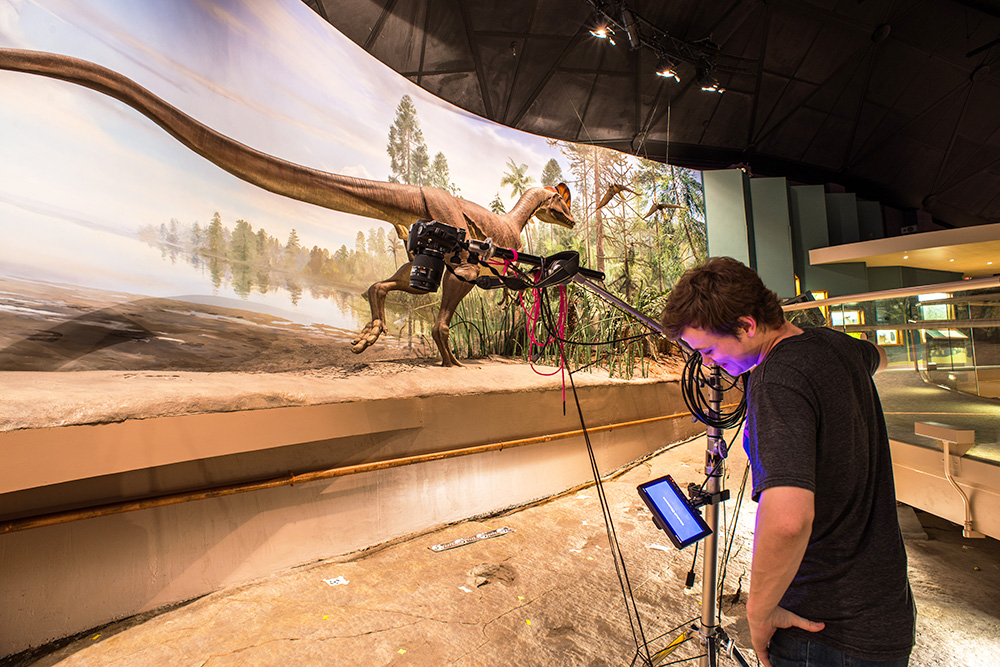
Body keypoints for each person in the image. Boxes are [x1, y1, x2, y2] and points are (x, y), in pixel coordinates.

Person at [660, 257, 915, 667]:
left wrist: (759, 612)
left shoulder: (776, 379)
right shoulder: (836, 346)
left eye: (708, 349)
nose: (707, 363)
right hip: (885, 612)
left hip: (823, 628)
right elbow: (879, 356)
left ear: (747, 325)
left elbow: (789, 520)